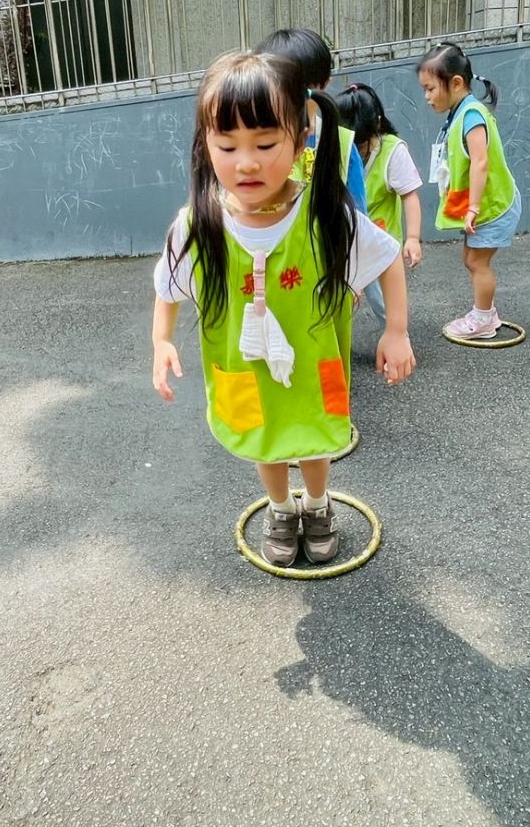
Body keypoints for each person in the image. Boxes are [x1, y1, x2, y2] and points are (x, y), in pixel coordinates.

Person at [152, 50, 416, 567]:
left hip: (312, 365)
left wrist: (397, 331)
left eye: (265, 143)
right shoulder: (198, 223)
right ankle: (280, 508)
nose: (246, 161)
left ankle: (317, 505)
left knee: (313, 439)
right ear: (206, 146)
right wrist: (161, 340)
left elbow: (387, 257)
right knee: (264, 442)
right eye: (227, 145)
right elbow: (167, 287)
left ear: (300, 139)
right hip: (246, 370)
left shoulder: (324, 214)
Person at [417, 41, 522, 339]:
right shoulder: (461, 112)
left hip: (492, 205)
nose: (426, 97)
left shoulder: (471, 115)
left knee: (477, 262)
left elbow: (480, 162)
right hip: (486, 204)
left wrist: (473, 207)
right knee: (472, 260)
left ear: (456, 83)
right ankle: (486, 312)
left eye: (430, 88)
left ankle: (484, 318)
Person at [335, 81, 423, 323]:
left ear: (377, 125)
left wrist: (413, 238)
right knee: (339, 299)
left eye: (361, 144)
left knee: (384, 302)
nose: (355, 152)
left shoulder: (393, 151)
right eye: (350, 144)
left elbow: (409, 195)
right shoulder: (338, 148)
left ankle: (398, 333)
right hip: (345, 241)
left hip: (381, 245)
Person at [254, 28, 368, 213]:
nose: (291, 100)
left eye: (301, 90)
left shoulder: (342, 144)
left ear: (325, 83)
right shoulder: (251, 143)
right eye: (281, 89)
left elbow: (358, 217)